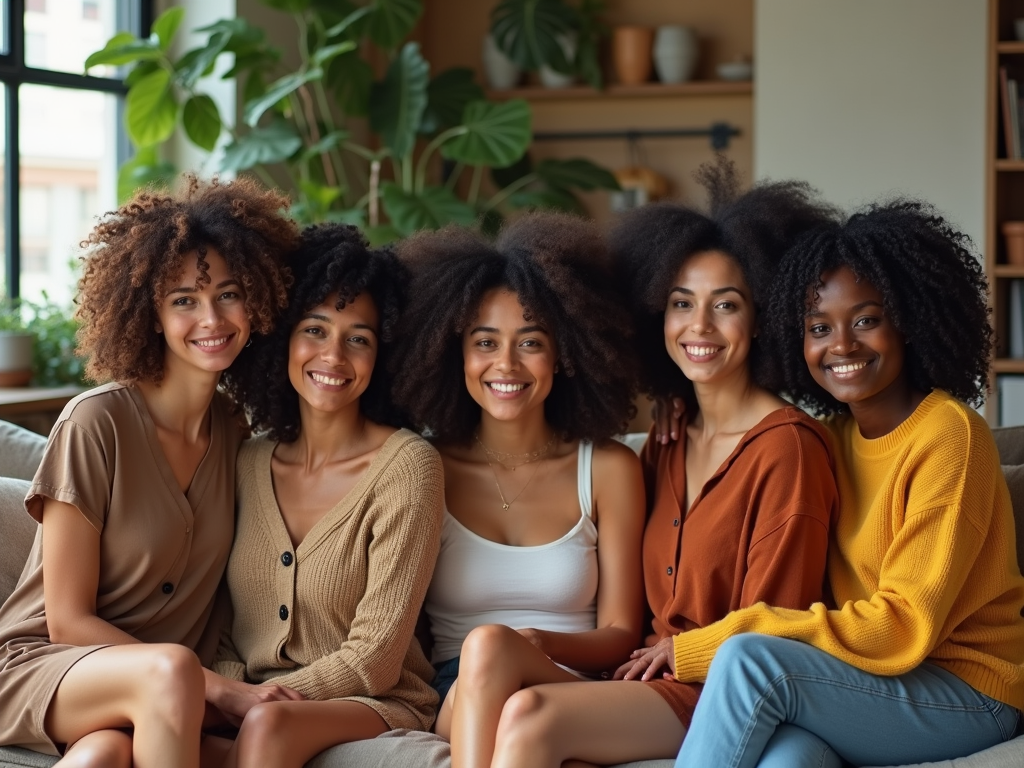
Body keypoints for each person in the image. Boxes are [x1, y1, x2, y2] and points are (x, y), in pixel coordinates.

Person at [479, 162, 841, 768]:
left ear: (761, 317)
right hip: (642, 681)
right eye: (681, 304)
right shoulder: (669, 439)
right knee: (496, 660)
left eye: (725, 305)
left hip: (721, 691)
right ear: (658, 317)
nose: (699, 327)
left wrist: (681, 651)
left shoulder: (789, 449)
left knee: (531, 717)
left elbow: (774, 627)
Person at [673, 200, 1024, 768]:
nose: (841, 345)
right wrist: (680, 410)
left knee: (747, 661)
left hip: (968, 692)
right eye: (818, 327)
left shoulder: (949, 435)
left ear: (909, 321)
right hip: (866, 685)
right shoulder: (825, 439)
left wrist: (704, 645)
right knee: (786, 760)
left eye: (866, 320)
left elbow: (901, 625)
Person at [0, 176, 297, 768]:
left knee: (105, 755)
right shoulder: (97, 423)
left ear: (258, 300)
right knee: (170, 672)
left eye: (229, 293)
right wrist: (220, 688)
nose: (211, 318)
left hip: (153, 695)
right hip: (44, 667)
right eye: (184, 299)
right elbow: (66, 620)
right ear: (150, 313)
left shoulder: (237, 435)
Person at [390, 212, 646, 768]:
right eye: (485, 341)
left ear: (566, 353)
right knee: (485, 649)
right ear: (453, 351)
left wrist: (537, 643)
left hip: (571, 684)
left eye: (530, 342)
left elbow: (623, 631)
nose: (505, 364)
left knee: (495, 647)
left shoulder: (606, 467)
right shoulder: (422, 465)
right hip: (461, 689)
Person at [203, 224, 445, 768]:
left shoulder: (408, 467)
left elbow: (376, 658)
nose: (333, 355)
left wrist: (258, 703)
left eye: (358, 338)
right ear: (283, 338)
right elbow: (217, 624)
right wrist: (232, 691)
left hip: (375, 700)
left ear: (381, 356)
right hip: (255, 702)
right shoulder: (246, 462)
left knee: (268, 723)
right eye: (315, 329)